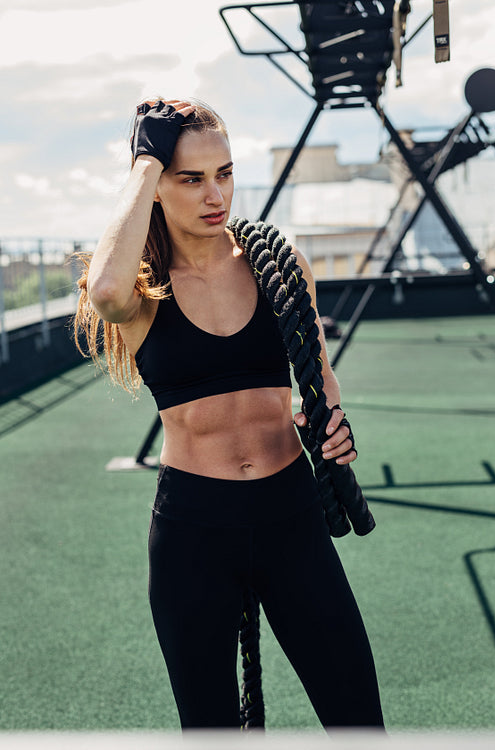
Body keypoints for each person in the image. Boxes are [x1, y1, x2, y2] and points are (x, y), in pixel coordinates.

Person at [74, 98, 384, 731]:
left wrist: (331, 425)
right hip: (194, 533)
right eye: (190, 178)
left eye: (225, 173)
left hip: (290, 517)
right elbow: (103, 293)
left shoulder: (279, 265)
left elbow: (321, 380)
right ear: (155, 185)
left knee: (359, 721)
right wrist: (143, 161)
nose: (215, 194)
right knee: (211, 732)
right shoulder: (139, 290)